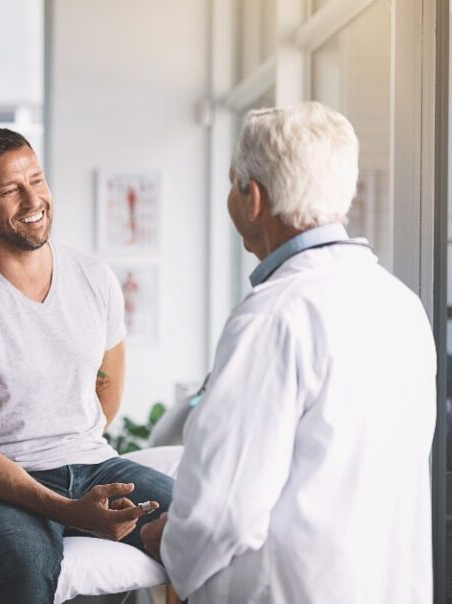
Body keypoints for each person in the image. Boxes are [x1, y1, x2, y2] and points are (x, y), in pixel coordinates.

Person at [140, 102, 436, 603]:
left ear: (252, 198)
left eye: (233, 184)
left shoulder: (273, 316)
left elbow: (221, 511)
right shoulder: (400, 303)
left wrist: (167, 541)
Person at [0, 127, 174, 603]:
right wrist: (68, 510)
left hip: (93, 463)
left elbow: (107, 391)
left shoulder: (94, 277)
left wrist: (75, 462)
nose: (33, 199)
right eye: (10, 190)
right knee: (29, 564)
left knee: (201, 523)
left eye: (37, 180)